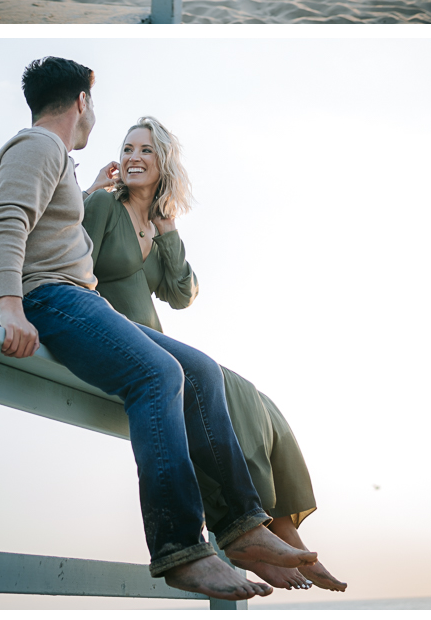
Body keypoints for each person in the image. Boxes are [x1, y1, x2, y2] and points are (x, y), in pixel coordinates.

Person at [0, 56, 320, 600]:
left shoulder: (57, 159)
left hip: (74, 299)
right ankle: (180, 548)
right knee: (159, 374)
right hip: (47, 299)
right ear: (83, 101)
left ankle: (245, 527)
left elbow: (169, 286)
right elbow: (4, 220)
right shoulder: (39, 145)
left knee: (201, 370)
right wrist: (10, 307)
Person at [83, 116, 347, 593]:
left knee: (256, 400)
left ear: (163, 163)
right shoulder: (104, 205)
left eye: (145, 150)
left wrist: (168, 230)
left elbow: (182, 293)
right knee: (209, 383)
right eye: (127, 148)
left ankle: (279, 524)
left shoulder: (153, 225)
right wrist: (89, 192)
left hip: (157, 340)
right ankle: (247, 532)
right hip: (117, 338)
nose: (133, 157)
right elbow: (73, 259)